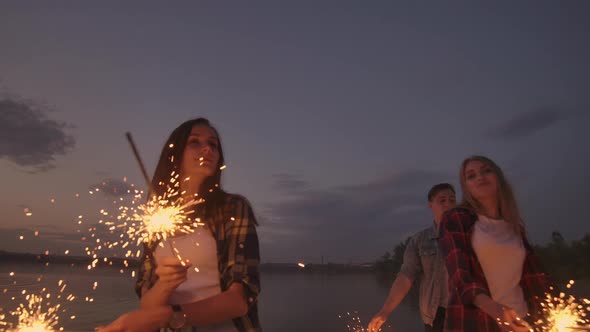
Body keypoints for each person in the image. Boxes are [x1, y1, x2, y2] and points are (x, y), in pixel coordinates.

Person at [97, 118, 261, 332]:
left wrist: (167, 317)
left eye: (213, 144)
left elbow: (238, 302)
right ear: (175, 153)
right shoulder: (156, 218)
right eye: (195, 142)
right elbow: (147, 305)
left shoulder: (232, 209)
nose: (207, 149)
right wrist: (166, 284)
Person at [438, 155, 552, 332]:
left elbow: (534, 277)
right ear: (466, 187)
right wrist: (495, 309)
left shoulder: (514, 227)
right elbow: (460, 275)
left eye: (486, 171)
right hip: (477, 322)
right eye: (471, 175)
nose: (480, 177)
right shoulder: (456, 218)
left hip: (521, 319)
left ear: (498, 177)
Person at [368, 183, 456, 332]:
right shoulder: (420, 241)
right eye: (442, 200)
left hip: (467, 313)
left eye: (452, 200)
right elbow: (406, 277)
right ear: (431, 205)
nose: (448, 204)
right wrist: (385, 311)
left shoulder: (471, 235)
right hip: (434, 316)